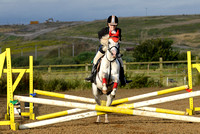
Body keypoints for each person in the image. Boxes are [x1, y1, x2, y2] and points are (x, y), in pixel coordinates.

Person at [85, 15, 132, 86]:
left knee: (121, 63)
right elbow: (101, 40)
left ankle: (123, 79)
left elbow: (118, 41)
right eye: (111, 25)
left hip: (115, 50)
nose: (113, 26)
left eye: (114, 25)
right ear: (108, 24)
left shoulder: (119, 30)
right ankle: (92, 76)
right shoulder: (103, 31)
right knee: (95, 60)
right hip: (104, 49)